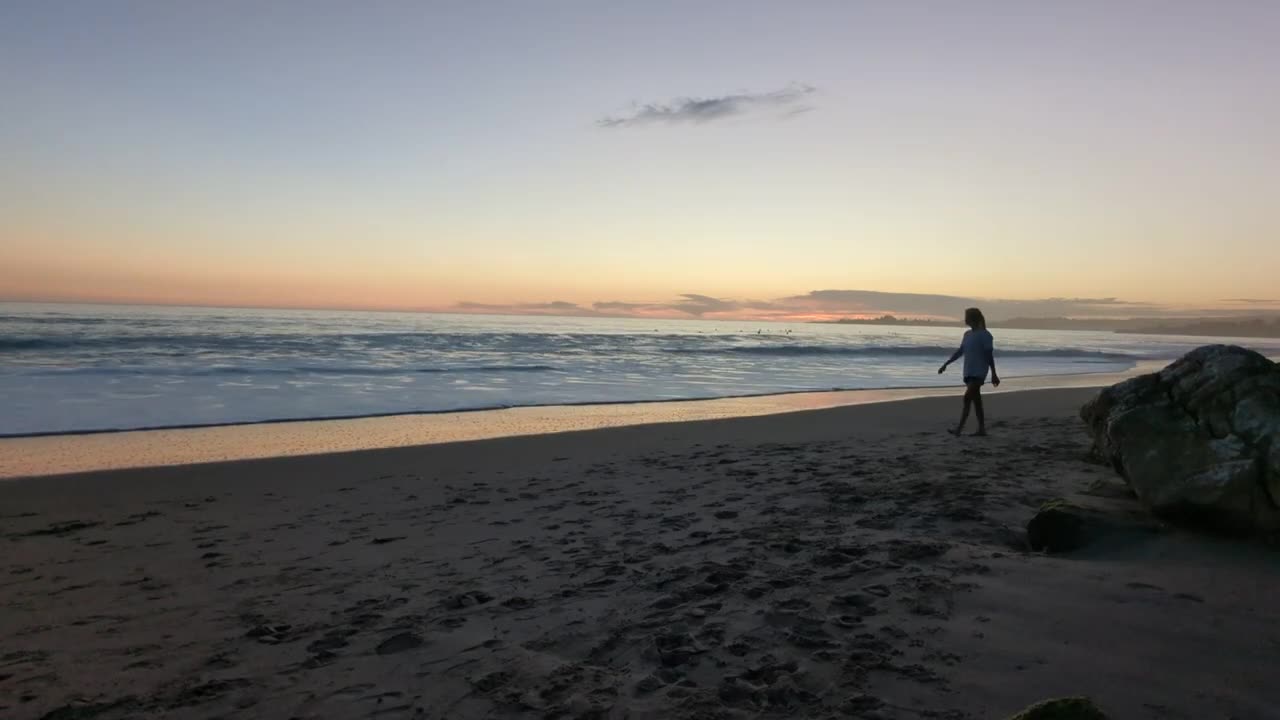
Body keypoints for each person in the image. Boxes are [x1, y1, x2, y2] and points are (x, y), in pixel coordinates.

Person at [937, 307, 999, 436]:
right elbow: (960, 351)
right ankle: (982, 429)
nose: (965, 319)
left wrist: (994, 374)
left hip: (979, 371)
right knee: (976, 401)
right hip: (968, 371)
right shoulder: (967, 334)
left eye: (967, 316)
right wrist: (946, 364)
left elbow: (989, 355)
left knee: (967, 398)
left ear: (973, 318)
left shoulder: (985, 335)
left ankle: (959, 430)